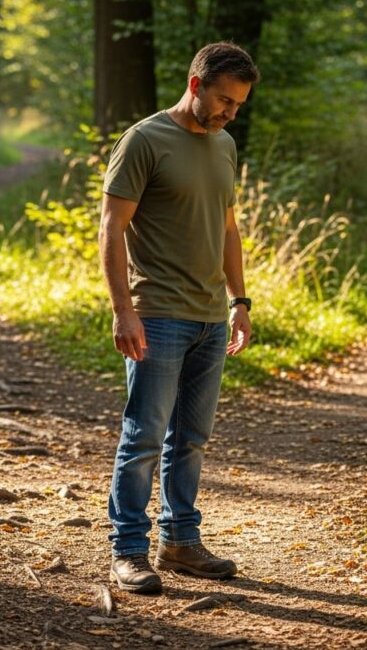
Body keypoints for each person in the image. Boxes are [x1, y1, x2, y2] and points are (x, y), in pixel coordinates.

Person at [98, 42, 259, 594]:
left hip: (211, 318)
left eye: (237, 105)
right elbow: (111, 228)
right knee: (144, 434)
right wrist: (124, 310)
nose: (228, 113)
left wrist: (240, 302)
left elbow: (229, 229)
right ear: (195, 85)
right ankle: (128, 551)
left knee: (191, 437)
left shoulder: (224, 145)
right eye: (222, 100)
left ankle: (181, 542)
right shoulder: (144, 141)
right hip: (158, 314)